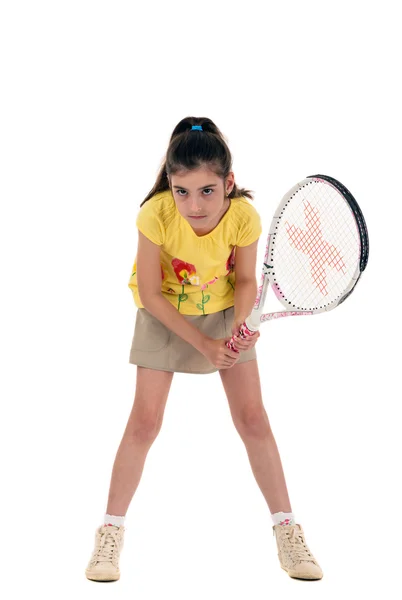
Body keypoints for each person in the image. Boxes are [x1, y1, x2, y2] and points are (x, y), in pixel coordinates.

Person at [85, 117, 323, 582]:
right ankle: (109, 534)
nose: (194, 204)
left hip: (222, 312)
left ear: (228, 183)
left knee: (253, 419)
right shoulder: (154, 214)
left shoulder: (244, 217)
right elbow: (151, 294)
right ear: (170, 186)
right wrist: (206, 344)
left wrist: (240, 326)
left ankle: (287, 531)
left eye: (208, 191)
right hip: (165, 315)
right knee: (144, 423)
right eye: (182, 191)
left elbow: (248, 280)